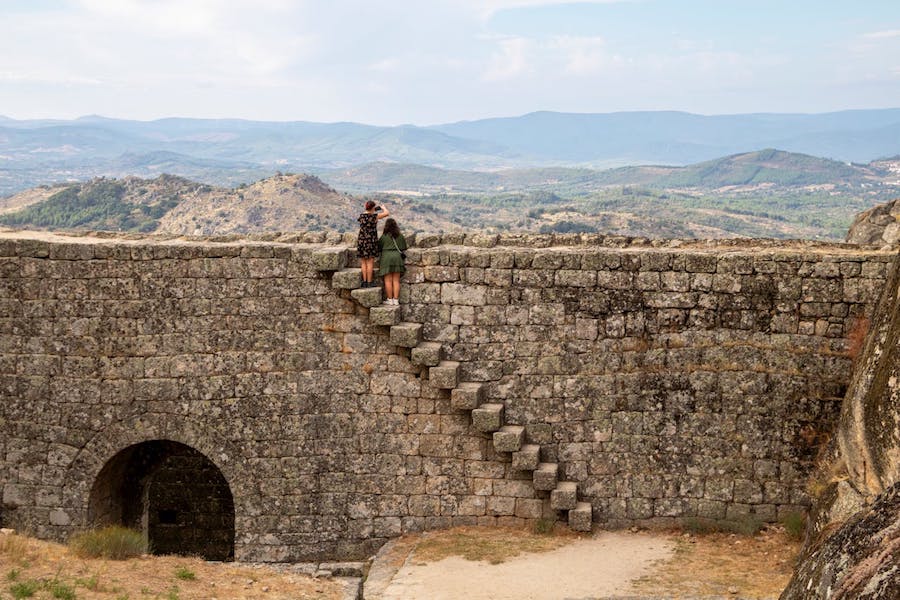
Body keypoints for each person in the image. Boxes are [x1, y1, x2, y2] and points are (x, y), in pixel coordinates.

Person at [357, 200, 389, 287]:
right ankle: (370, 282)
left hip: (362, 240)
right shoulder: (374, 216)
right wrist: (383, 208)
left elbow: (366, 214)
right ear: (373, 208)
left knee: (363, 262)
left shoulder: (361, 216)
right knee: (370, 262)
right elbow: (387, 213)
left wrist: (372, 209)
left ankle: (364, 282)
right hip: (371, 240)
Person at [377, 218, 407, 305]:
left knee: (388, 281)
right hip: (397, 258)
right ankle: (396, 300)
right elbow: (403, 247)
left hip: (386, 258)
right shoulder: (400, 236)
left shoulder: (384, 236)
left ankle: (390, 300)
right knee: (396, 280)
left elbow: (379, 248)